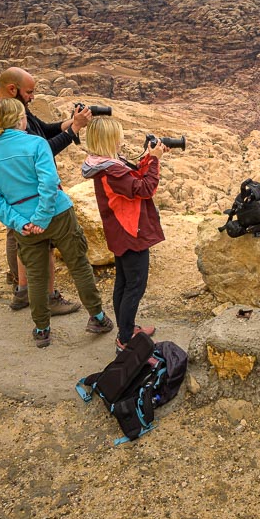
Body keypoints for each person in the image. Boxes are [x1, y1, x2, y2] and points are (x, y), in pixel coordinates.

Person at [0, 98, 114, 348]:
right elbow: (49, 183)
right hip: (57, 214)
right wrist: (41, 217)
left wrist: (20, 222)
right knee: (78, 265)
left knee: (36, 276)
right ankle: (97, 317)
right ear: (19, 119)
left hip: (24, 225)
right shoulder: (36, 144)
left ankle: (42, 330)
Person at [0, 68, 93, 314]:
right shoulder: (6, 115)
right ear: (13, 89)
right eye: (30, 92)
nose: (33, 97)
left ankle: (23, 292)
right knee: (41, 244)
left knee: (20, 238)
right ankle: (48, 299)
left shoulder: (15, 111)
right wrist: (74, 131)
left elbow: (43, 130)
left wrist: (70, 122)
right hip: (30, 195)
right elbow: (42, 148)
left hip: (18, 197)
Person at [81, 117, 166, 350]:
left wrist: (149, 158)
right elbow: (145, 188)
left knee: (124, 282)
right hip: (131, 232)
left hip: (121, 231)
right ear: (109, 140)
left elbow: (134, 177)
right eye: (118, 136)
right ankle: (126, 340)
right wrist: (156, 161)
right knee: (134, 286)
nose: (122, 140)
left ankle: (126, 328)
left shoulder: (107, 164)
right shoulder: (111, 170)